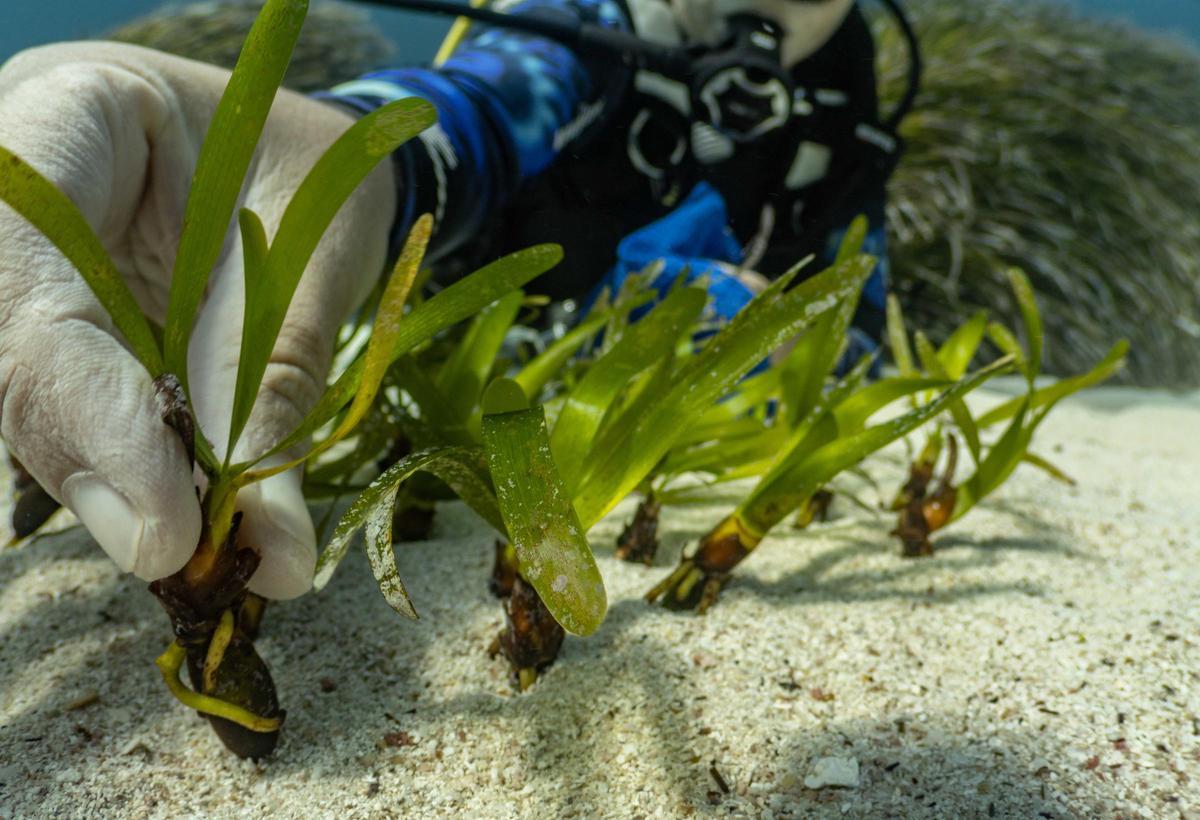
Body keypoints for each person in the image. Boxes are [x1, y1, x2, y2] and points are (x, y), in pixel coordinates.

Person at [0, 0, 895, 599]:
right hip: (485, 365)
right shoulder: (581, 28)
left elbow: (861, 319)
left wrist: (782, 332)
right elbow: (461, 114)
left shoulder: (845, 102)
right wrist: (337, 158)